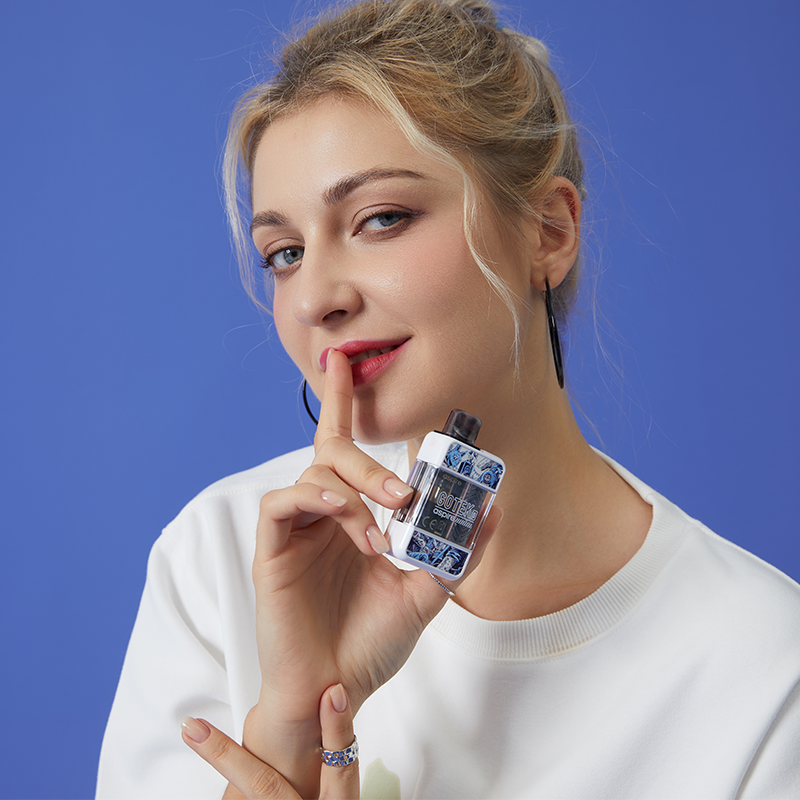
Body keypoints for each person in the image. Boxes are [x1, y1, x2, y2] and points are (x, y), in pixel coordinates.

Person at [96, 1, 800, 798]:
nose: (315, 298)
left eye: (381, 218)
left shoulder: (768, 674)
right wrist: (291, 724)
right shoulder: (221, 559)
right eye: (284, 252)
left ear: (548, 230)